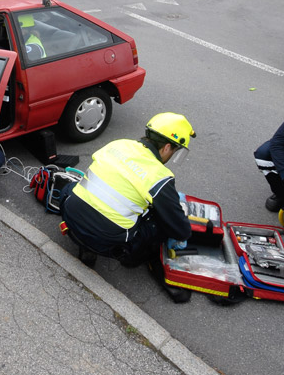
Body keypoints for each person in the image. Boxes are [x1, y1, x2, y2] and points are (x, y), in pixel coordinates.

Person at [59, 113, 195, 269]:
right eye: (174, 151)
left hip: (70, 216)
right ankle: (129, 258)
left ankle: (86, 246)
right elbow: (180, 230)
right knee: (158, 226)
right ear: (167, 147)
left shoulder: (119, 144)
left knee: (73, 188)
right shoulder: (160, 177)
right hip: (105, 242)